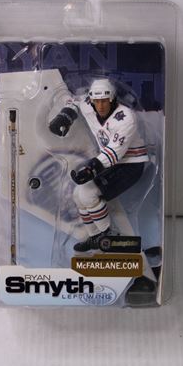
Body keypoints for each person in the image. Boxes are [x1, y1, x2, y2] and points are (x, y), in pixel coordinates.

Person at [49, 78, 149, 251]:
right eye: (97, 101)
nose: (100, 106)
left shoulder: (126, 117)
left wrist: (91, 169)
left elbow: (115, 151)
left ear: (112, 99)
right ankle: (95, 236)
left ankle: (107, 235)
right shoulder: (89, 105)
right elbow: (75, 100)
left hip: (131, 164)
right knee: (77, 195)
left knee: (88, 194)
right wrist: (65, 115)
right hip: (110, 162)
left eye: (104, 101)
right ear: (92, 100)